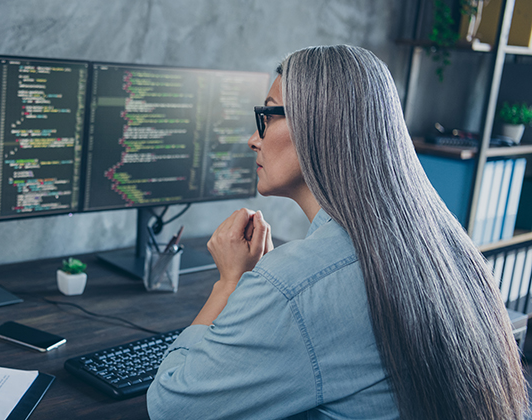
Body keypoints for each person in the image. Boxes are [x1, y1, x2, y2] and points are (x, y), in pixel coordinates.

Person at [146, 45, 529, 420]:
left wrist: (231, 283)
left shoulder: (292, 286)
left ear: (320, 125)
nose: (253, 139)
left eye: (268, 115)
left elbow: (171, 406)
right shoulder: (446, 248)